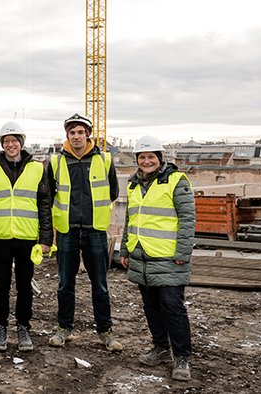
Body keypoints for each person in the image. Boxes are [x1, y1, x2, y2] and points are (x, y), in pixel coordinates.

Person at [119, 135, 195, 381]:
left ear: (160, 158)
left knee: (172, 306)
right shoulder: (134, 184)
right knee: (151, 306)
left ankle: (182, 357)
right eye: (142, 157)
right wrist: (125, 250)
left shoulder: (176, 181)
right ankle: (161, 348)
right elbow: (131, 221)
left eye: (151, 157)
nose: (147, 161)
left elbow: (187, 220)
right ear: (137, 160)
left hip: (169, 257)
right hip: (142, 256)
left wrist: (183, 252)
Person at [46, 113, 123, 352]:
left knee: (99, 284)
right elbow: (49, 195)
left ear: (88, 134)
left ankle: (105, 331)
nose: (76, 136)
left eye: (81, 132)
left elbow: (112, 192)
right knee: (64, 283)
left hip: (95, 230)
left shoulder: (105, 160)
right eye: (72, 132)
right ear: (67, 135)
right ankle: (64, 328)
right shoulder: (56, 162)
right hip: (67, 231)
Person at [0, 121, 53, 353]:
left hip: (27, 237)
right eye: (7, 141)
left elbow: (44, 205)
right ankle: (0, 328)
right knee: (1, 286)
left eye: (15, 141)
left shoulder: (38, 168)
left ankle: (23, 328)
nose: (11, 145)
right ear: (2, 144)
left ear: (21, 143)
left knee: (24, 286)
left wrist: (46, 238)